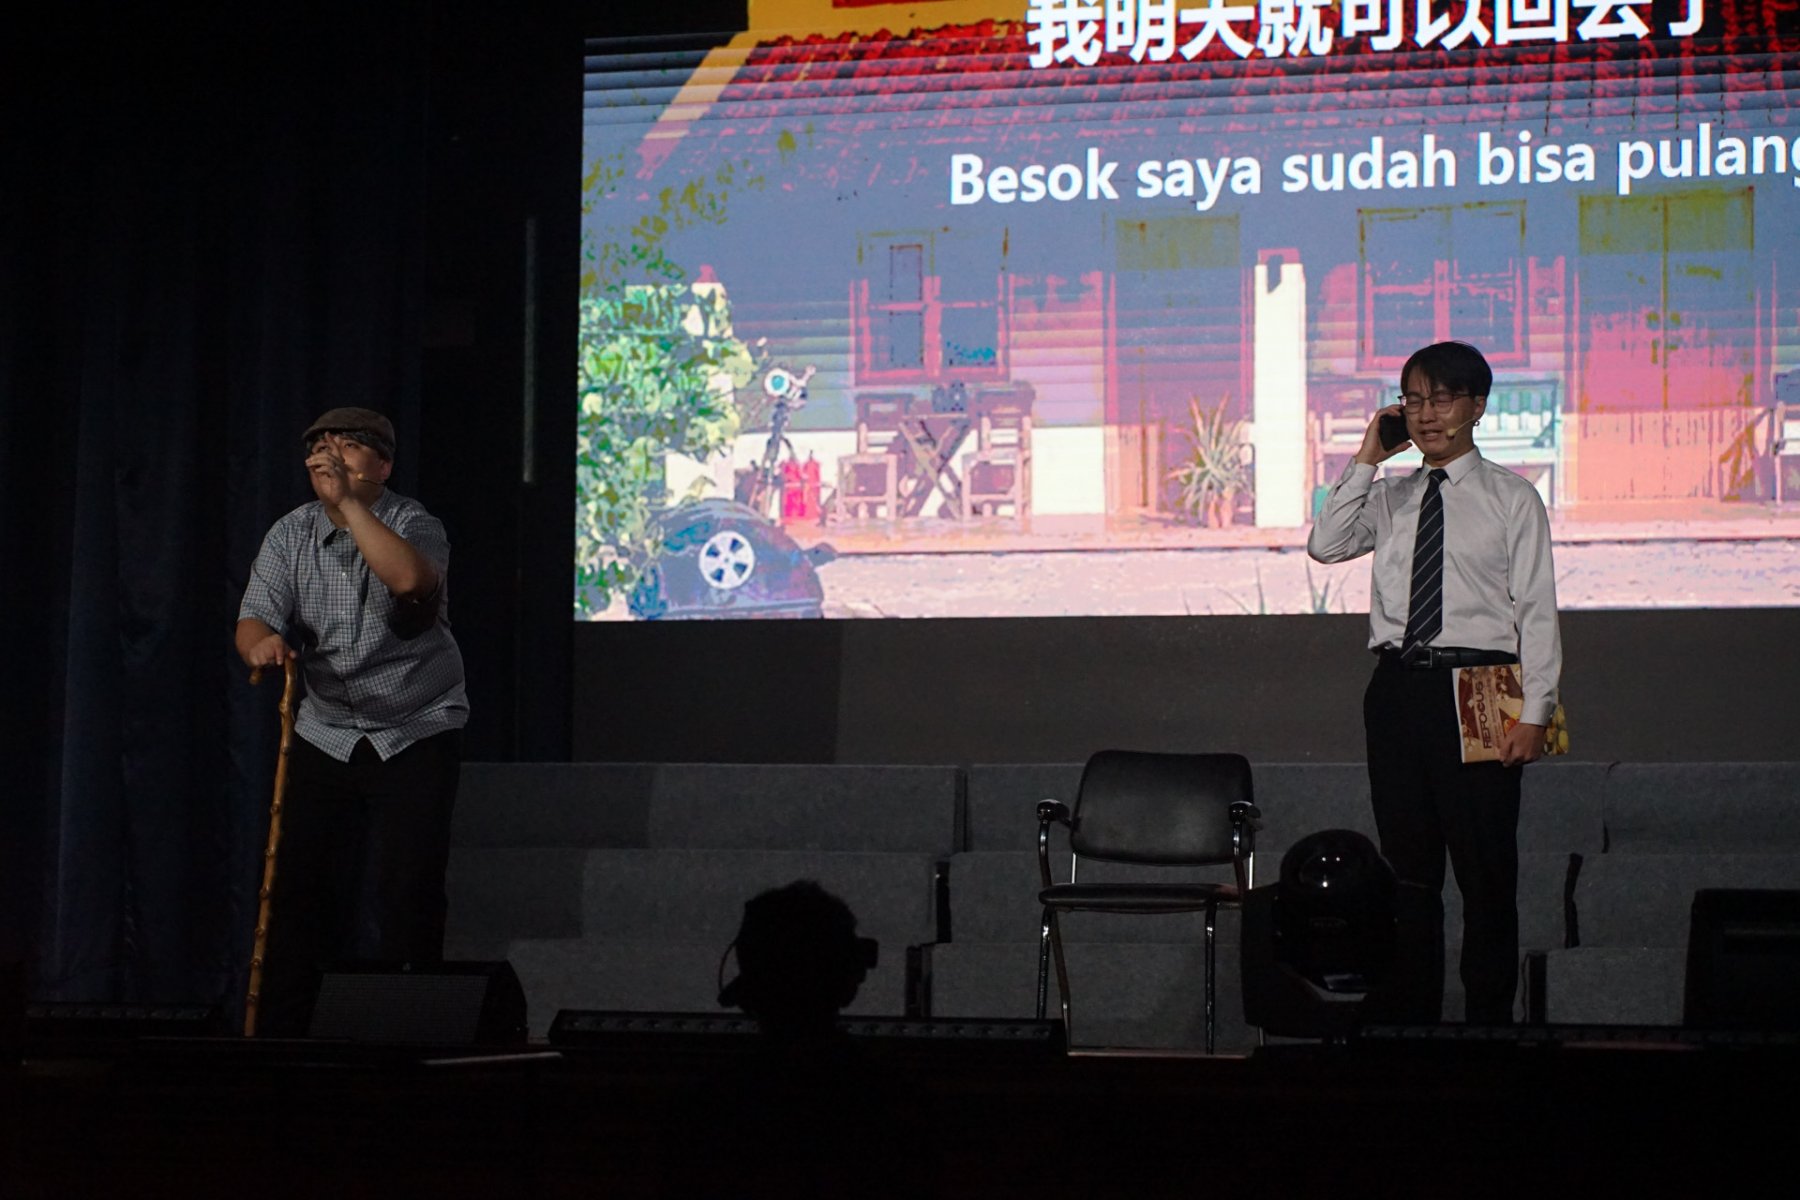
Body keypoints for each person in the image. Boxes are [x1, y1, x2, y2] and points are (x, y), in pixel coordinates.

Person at [1307, 341, 1561, 1025]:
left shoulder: (1512, 498)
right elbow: (1325, 544)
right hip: (1398, 689)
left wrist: (1536, 712)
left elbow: (1537, 611)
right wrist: (1368, 456)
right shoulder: (1391, 497)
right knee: (1409, 873)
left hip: (1484, 686)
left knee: (1485, 872)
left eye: (1442, 399)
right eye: (1413, 400)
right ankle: (1410, 1019)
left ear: (1477, 407)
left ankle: (1487, 1025)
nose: (1426, 414)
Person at [235, 406, 468, 1037]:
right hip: (328, 727)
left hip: (416, 722)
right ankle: (293, 1035)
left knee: (407, 889)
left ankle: (408, 1033)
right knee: (303, 888)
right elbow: (254, 616)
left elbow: (411, 580)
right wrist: (260, 642)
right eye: (322, 448)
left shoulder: (413, 522)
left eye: (348, 448)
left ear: (382, 466)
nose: (331, 458)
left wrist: (347, 505)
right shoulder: (291, 533)